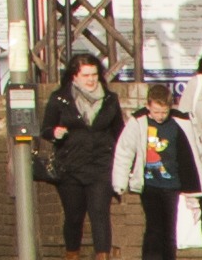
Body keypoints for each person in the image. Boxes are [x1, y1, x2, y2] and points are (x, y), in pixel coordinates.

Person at [45, 56, 126, 258]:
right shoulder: (59, 98)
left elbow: (120, 134)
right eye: (86, 75)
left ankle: (102, 255)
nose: (91, 80)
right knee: (74, 217)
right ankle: (72, 254)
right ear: (74, 77)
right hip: (70, 167)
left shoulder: (110, 99)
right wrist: (54, 132)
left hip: (100, 166)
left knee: (100, 214)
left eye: (94, 75)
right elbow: (45, 128)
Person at [137, 84, 202, 260]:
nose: (160, 116)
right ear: (148, 106)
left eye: (164, 112)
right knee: (154, 226)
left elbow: (194, 148)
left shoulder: (179, 123)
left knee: (169, 227)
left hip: (171, 183)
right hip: (149, 183)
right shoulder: (139, 121)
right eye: (156, 112)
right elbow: (125, 150)